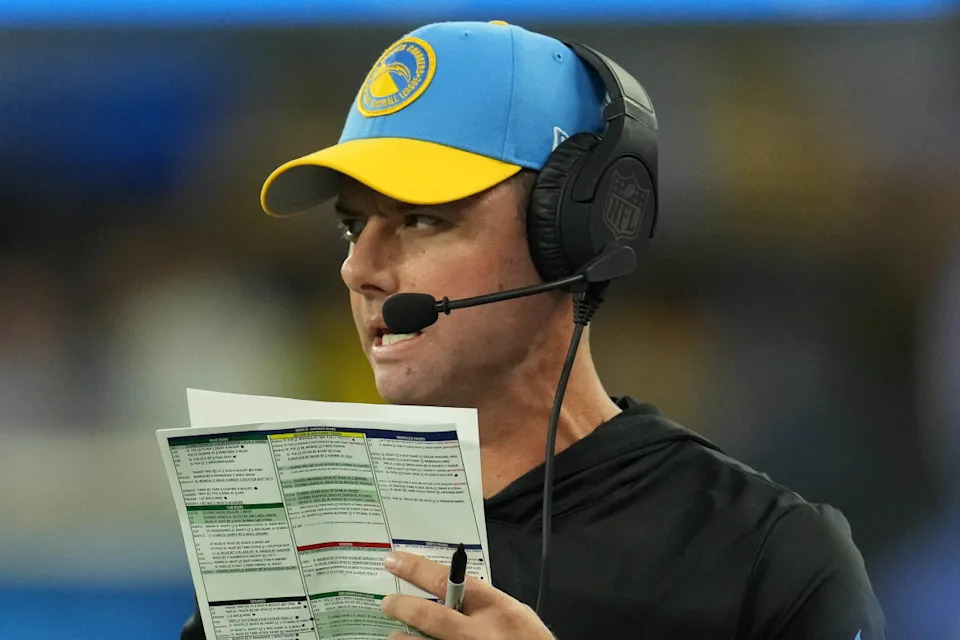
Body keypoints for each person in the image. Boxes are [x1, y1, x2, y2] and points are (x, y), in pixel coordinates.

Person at [180, 20, 885, 639]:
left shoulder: (762, 555)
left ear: (570, 231)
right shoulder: (294, 547)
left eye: (423, 218)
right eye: (352, 226)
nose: (359, 268)